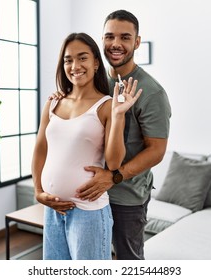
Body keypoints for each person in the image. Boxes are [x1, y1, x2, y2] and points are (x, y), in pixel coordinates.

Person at [50, 10, 171, 260]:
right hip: (86, 197)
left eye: (125, 37)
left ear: (137, 42)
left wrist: (113, 177)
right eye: (109, 37)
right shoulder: (94, 80)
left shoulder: (151, 92)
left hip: (126, 197)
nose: (116, 44)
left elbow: (156, 150)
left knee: (128, 260)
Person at [31, 32, 142, 260]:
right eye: (68, 60)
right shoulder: (53, 102)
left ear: (95, 63)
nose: (74, 66)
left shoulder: (107, 105)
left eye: (82, 58)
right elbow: (40, 148)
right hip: (54, 210)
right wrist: (38, 191)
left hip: (88, 212)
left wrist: (119, 115)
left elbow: (113, 162)